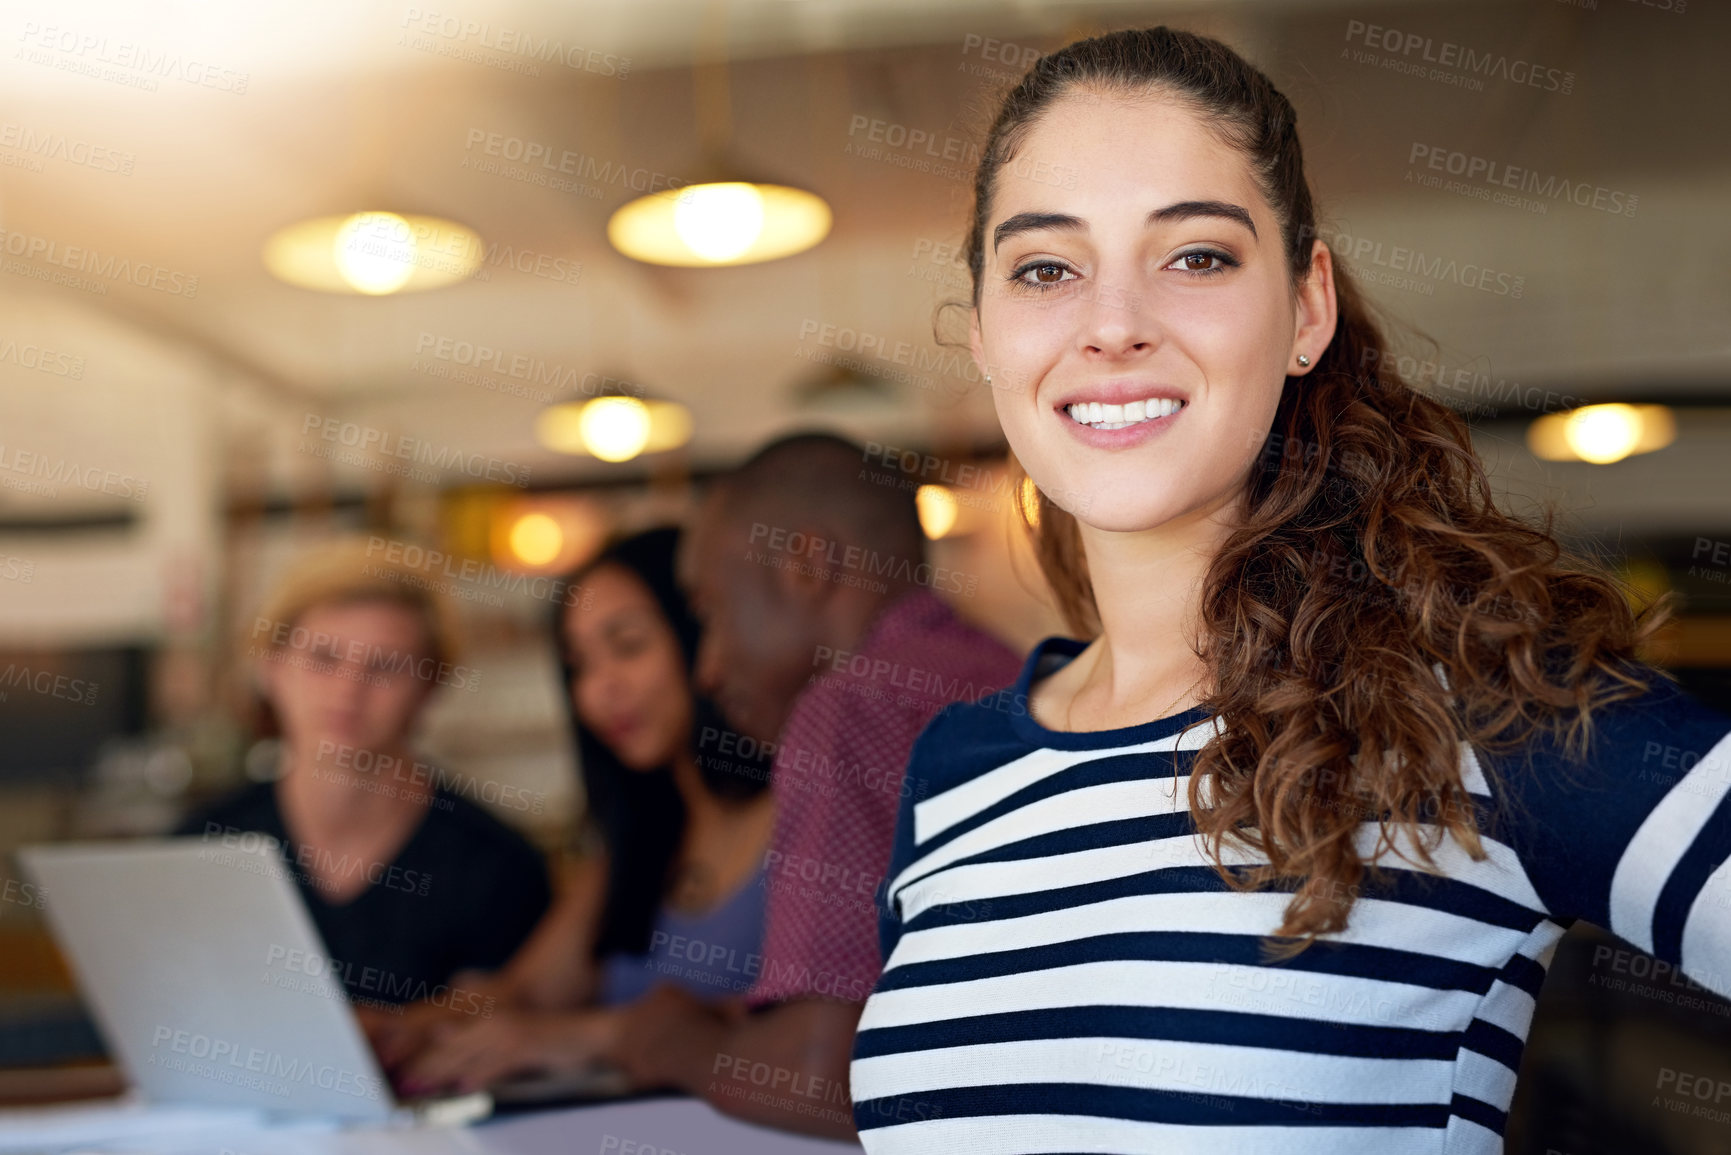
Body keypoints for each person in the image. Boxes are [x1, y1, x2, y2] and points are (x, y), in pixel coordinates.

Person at [846, 26, 1731, 1154]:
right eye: (1046, 269)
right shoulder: (951, 774)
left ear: (1307, 308)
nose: (1112, 324)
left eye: (1198, 256)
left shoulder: (1471, 717)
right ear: (982, 330)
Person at [605, 434, 1024, 1139]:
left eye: (708, 611)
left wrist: (663, 1040)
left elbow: (820, 1075)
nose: (707, 669)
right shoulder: (1004, 670)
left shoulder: (846, 709)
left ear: (806, 564)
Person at [366, 528, 777, 1095]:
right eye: (579, 664)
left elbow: (808, 1033)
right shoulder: (640, 841)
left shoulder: (801, 817)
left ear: (705, 637)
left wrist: (573, 1036)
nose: (600, 689)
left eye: (628, 646)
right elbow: (525, 994)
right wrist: (397, 1030)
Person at [178, 538, 550, 1013]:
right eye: (324, 659)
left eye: (386, 667)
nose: (348, 691)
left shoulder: (496, 865)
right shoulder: (202, 847)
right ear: (270, 667)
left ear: (430, 687)